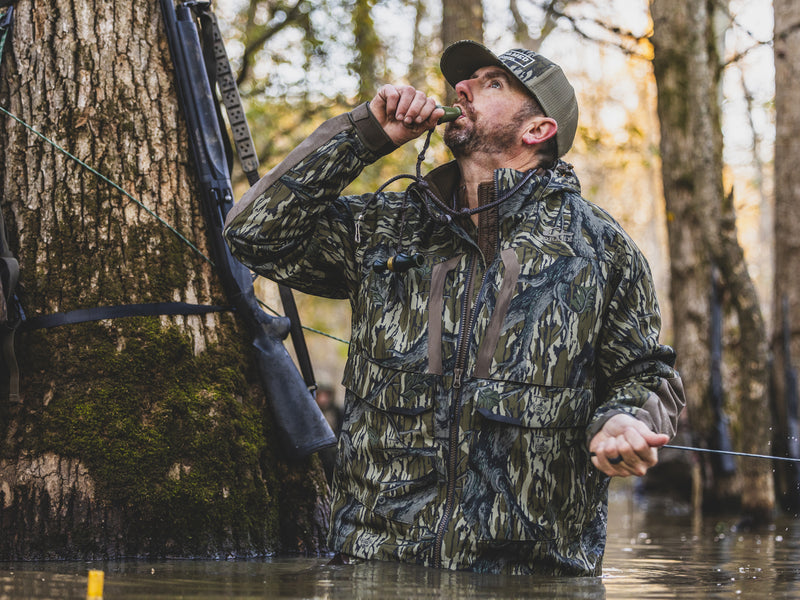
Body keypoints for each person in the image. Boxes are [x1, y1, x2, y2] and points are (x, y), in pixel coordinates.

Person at [223, 40, 685, 576]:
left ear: (537, 130)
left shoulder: (601, 249)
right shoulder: (386, 226)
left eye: (493, 84)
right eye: (465, 81)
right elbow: (252, 234)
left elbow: (648, 373)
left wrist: (625, 419)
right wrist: (365, 136)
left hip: (535, 578)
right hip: (376, 569)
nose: (460, 89)